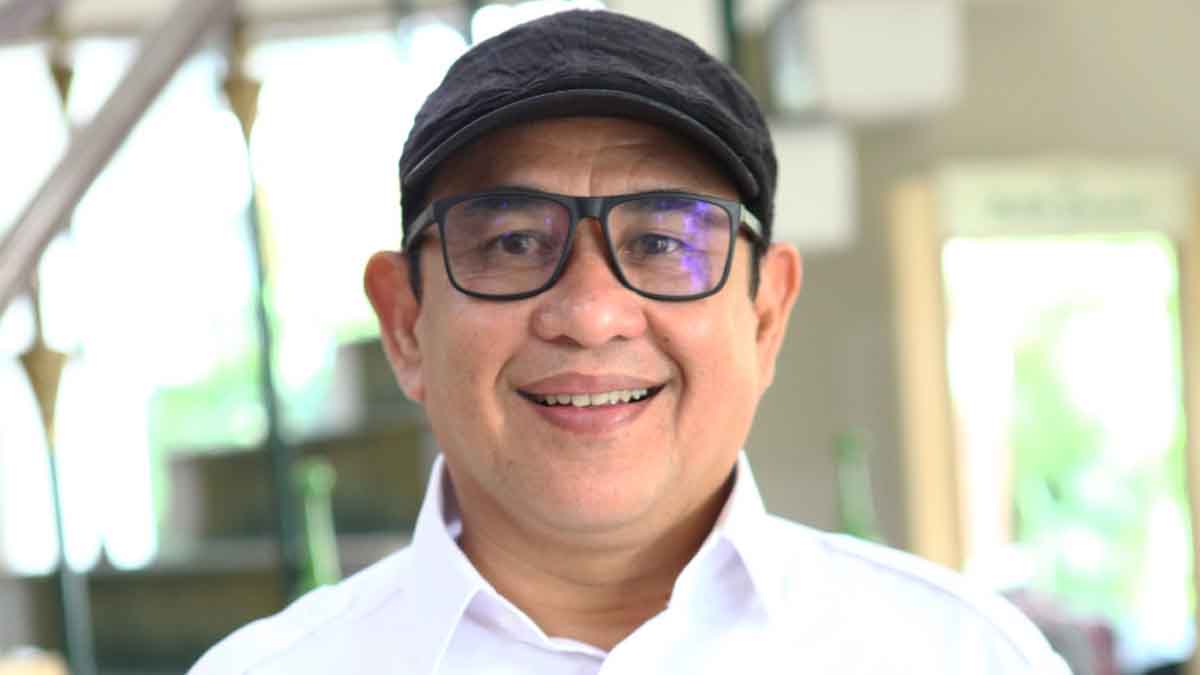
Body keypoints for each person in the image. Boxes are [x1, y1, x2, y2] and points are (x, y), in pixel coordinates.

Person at [190, 9, 1069, 674]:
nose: (590, 313)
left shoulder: (964, 654)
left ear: (766, 316)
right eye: (513, 242)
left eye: (662, 241)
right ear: (405, 323)